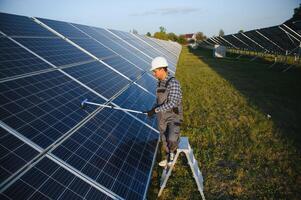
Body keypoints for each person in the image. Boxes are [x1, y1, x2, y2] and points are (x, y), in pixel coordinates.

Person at [144, 56, 183, 167]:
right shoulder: (160, 83)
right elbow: (159, 101)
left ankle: (173, 153)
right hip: (162, 115)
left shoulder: (173, 83)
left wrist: (156, 110)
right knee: (164, 138)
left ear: (162, 69)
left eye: (155, 71)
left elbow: (172, 103)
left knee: (172, 137)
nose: (154, 74)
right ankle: (168, 155)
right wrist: (153, 109)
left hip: (173, 115)